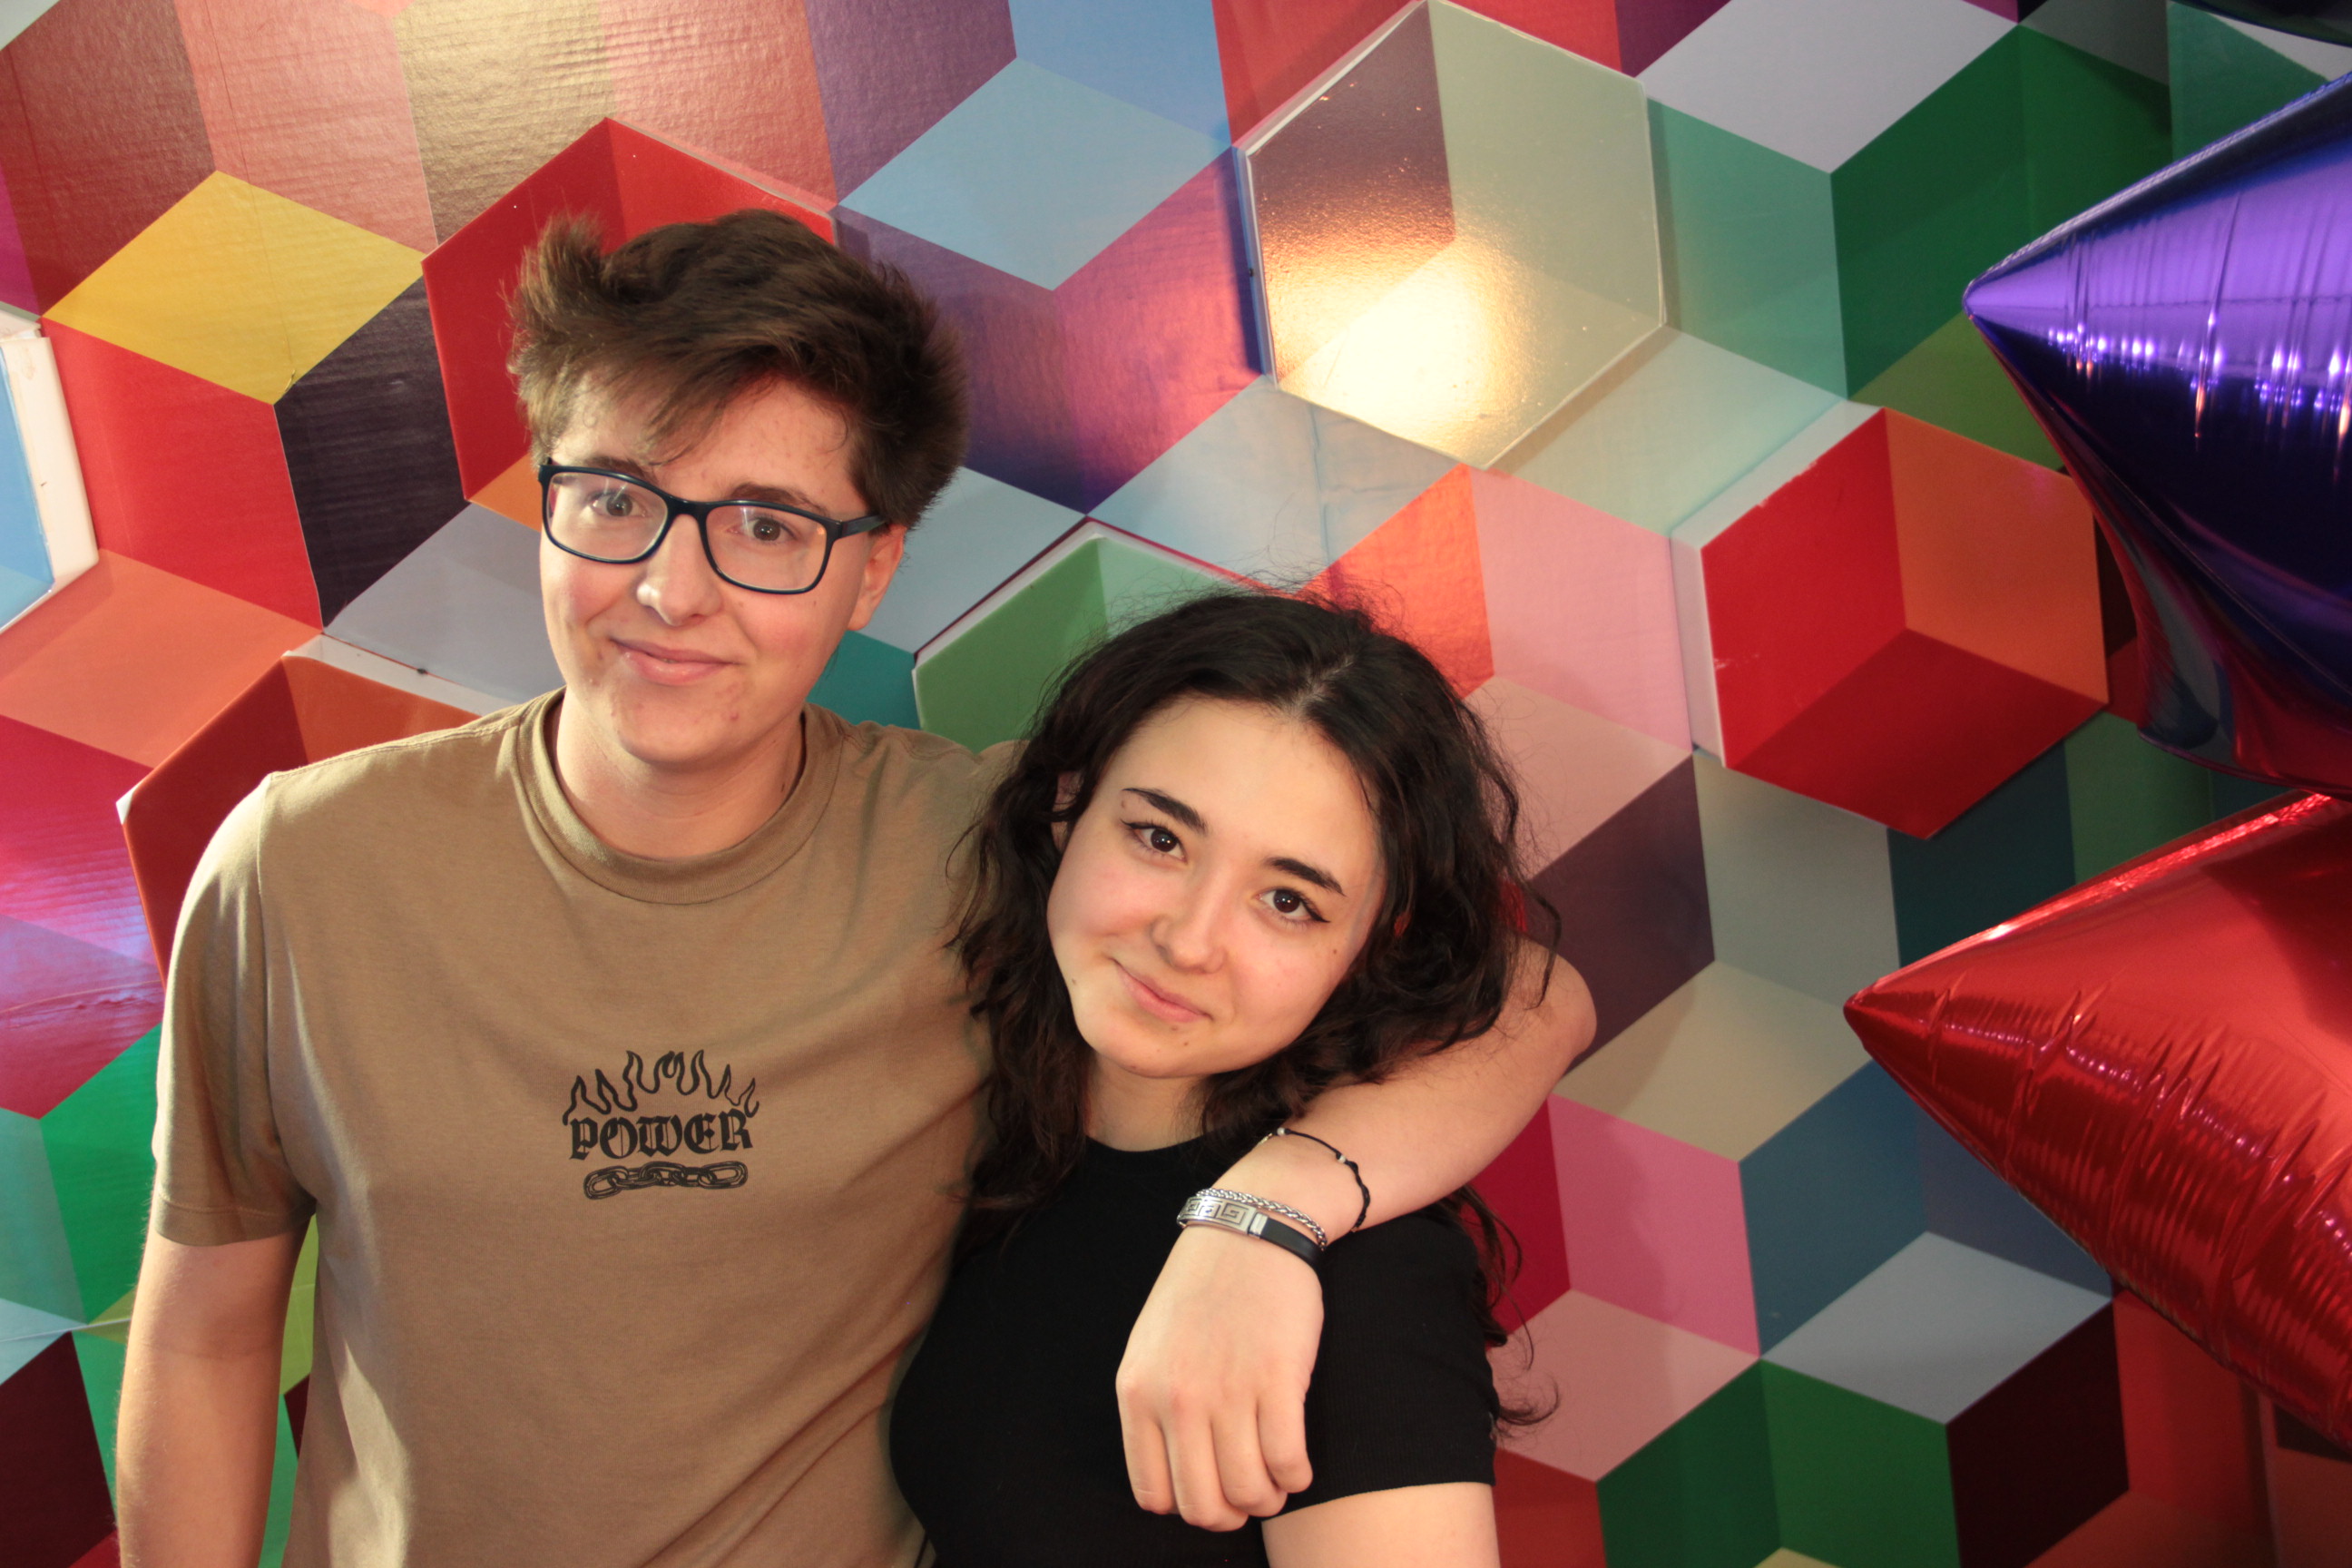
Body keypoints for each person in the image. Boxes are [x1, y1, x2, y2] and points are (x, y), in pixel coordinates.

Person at [116, 210, 1593, 1568]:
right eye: (616, 497)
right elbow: (203, 1338)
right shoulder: (300, 865)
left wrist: (1262, 1215)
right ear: (545, 498)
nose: (670, 591)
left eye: (767, 525)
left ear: (873, 569)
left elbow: (1528, 996)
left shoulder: (986, 848)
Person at [891, 593, 1549, 1566]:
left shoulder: (1354, 1276)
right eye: (1160, 839)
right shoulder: (1009, 1133)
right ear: (1069, 805)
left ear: (1373, 945)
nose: (1190, 941)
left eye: (1287, 900)